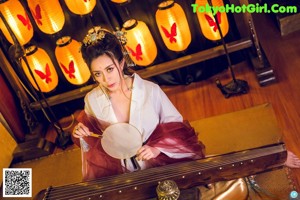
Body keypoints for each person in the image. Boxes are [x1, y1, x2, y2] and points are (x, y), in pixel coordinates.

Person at [72, 27, 205, 181]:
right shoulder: (92, 99)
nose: (106, 79)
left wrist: (156, 149)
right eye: (97, 74)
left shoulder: (150, 91)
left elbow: (175, 126)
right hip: (119, 166)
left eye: (110, 69)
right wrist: (81, 131)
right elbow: (93, 132)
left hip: (158, 160)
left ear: (121, 63)